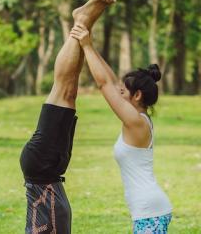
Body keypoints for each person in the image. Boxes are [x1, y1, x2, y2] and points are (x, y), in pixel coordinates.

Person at [19, 0, 116, 234]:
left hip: (43, 164)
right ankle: (83, 24)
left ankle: (81, 22)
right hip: (46, 166)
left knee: (62, 91)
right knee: (68, 92)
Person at [70, 23, 173, 233]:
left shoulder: (135, 122)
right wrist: (90, 46)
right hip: (149, 210)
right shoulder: (138, 118)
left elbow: (104, 85)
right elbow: (110, 80)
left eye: (123, 91)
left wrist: (87, 46)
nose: (119, 93)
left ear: (137, 95)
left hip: (150, 212)